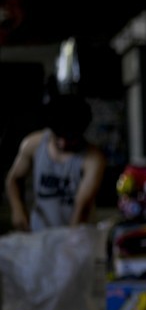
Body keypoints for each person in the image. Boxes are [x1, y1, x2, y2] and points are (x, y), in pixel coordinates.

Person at [5, 94, 106, 231]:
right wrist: (17, 208)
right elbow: (13, 179)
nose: (63, 143)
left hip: (78, 232)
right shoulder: (33, 144)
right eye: (58, 137)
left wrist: (70, 240)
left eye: (70, 138)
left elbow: (83, 206)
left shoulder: (93, 159)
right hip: (41, 232)